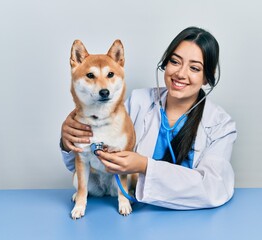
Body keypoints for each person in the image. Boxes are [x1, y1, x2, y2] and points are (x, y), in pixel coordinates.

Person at [60, 26, 237, 210]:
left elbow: (214, 189)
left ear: (207, 77)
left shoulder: (220, 125)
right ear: (165, 64)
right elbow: (87, 164)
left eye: (194, 68)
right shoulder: (136, 102)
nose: (181, 73)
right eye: (175, 62)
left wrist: (144, 166)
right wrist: (67, 141)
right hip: (139, 215)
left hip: (196, 218)